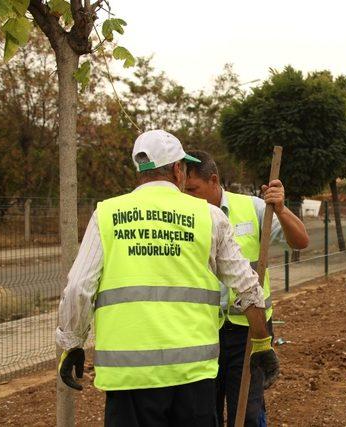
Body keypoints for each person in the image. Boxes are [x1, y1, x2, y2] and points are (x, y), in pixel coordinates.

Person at [56, 130, 280, 427]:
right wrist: (262, 342)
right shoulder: (209, 216)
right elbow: (248, 286)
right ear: (178, 169)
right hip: (192, 375)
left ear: (140, 170)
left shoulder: (107, 214)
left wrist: (72, 343)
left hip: (129, 378)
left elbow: (78, 289)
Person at [184, 150, 308, 427]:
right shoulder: (184, 218)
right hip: (202, 330)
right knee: (205, 411)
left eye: (193, 189)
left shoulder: (252, 208)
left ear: (213, 181)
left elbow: (300, 241)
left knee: (248, 412)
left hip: (250, 330)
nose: (188, 197)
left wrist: (281, 208)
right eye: (184, 190)